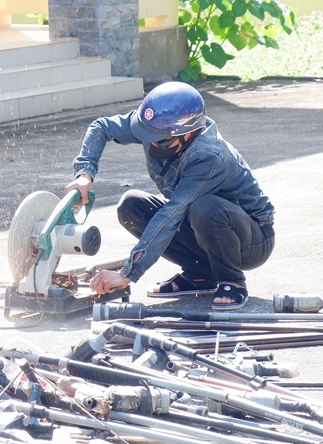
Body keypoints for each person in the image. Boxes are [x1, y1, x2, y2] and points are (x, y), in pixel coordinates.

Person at [68, 82, 275, 310]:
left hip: (251, 241)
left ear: (188, 133)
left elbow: (172, 213)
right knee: (131, 205)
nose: (151, 142)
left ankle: (232, 281)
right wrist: (84, 175)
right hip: (200, 225)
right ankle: (200, 274)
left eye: (159, 138)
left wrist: (128, 273)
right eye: (147, 134)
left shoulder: (209, 156)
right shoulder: (154, 128)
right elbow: (101, 127)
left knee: (204, 207)